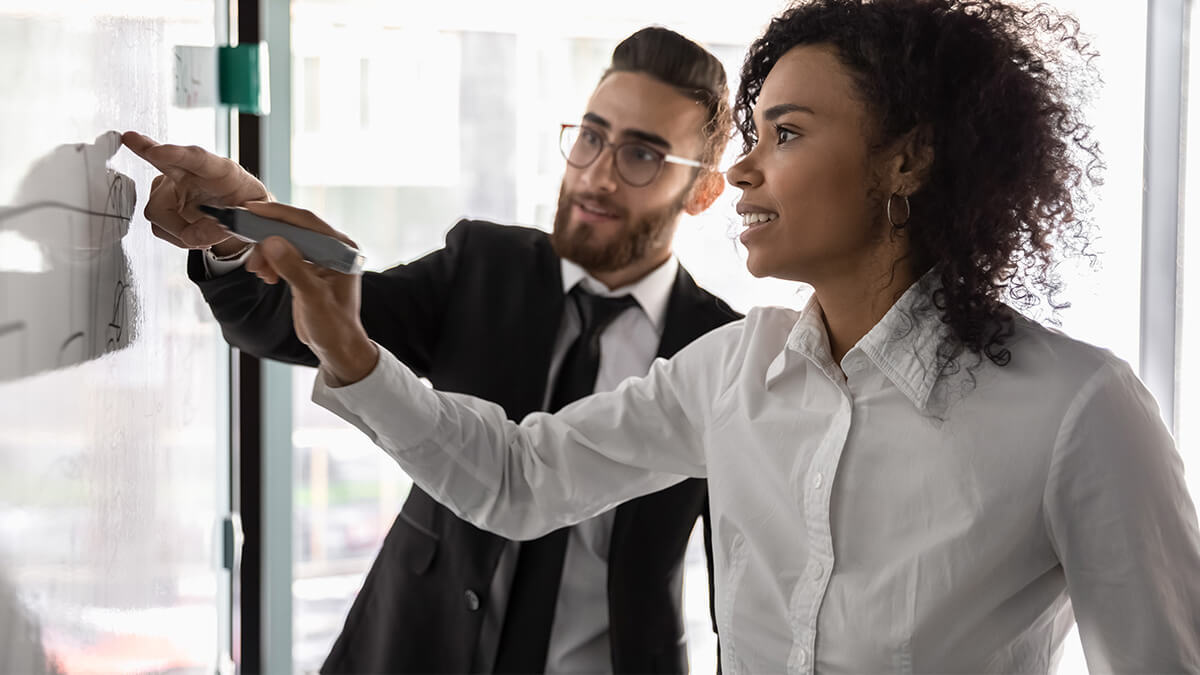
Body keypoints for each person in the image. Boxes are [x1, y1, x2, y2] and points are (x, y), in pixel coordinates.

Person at [225, 0, 1200, 672]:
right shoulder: (734, 372)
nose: (743, 174)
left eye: (786, 135)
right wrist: (348, 354)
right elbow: (521, 482)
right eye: (750, 137)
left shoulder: (1077, 411)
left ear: (906, 162)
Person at [124, 26, 740, 674]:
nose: (597, 176)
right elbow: (291, 324)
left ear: (702, 191)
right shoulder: (484, 265)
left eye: (641, 155)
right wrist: (236, 230)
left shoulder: (722, 351)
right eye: (590, 137)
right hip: (413, 646)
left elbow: (748, 594)